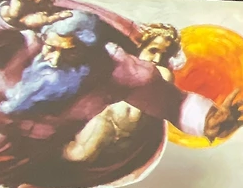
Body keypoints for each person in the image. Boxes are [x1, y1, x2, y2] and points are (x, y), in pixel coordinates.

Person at [0, 0, 243, 188]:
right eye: (51, 48)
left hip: (20, 156)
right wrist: (6, 18)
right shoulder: (20, 42)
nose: (54, 60)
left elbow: (174, 103)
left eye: (69, 53)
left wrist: (207, 120)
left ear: (91, 50)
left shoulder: (116, 70)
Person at [64, 23, 182, 163]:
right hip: (105, 122)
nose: (157, 59)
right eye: (153, 51)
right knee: (77, 156)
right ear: (141, 47)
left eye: (164, 55)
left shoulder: (162, 73)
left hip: (127, 136)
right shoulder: (121, 63)